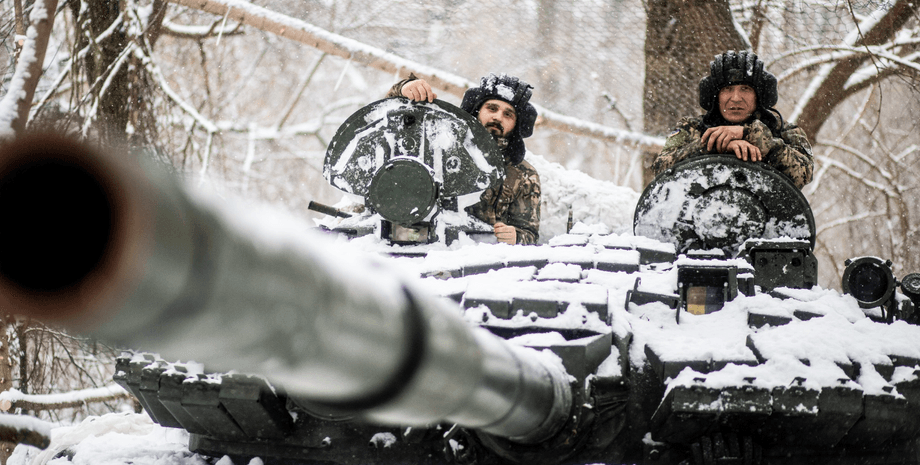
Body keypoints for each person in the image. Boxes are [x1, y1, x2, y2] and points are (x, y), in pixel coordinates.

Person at [387, 73, 541, 244]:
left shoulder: (524, 175)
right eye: (492, 108)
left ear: (516, 125)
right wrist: (403, 89)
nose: (498, 117)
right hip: (422, 246)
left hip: (480, 261)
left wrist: (517, 236)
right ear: (477, 110)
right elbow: (395, 125)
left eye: (508, 114)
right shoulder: (441, 143)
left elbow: (530, 234)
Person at [652, 50, 814, 189]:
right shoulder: (691, 128)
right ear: (716, 96)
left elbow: (803, 174)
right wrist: (715, 145)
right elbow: (661, 168)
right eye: (727, 89)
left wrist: (751, 135)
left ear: (759, 96)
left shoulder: (784, 132)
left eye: (745, 89)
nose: (736, 98)